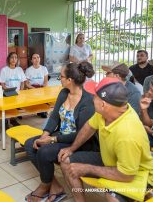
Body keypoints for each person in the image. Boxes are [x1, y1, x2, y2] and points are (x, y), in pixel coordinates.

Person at [58, 77, 153, 202]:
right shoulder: (107, 111)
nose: (91, 98)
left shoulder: (127, 134)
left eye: (94, 96)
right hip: (111, 160)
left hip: (137, 174)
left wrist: (87, 168)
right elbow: (89, 127)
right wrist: (71, 148)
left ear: (103, 104)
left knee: (112, 198)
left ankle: (145, 193)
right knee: (66, 162)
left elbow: (126, 175)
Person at [24, 61, 99, 202]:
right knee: (30, 144)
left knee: (44, 152)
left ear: (70, 80)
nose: (60, 79)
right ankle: (55, 185)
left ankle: (45, 185)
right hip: (62, 135)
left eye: (61, 77)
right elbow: (54, 118)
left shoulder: (87, 101)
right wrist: (44, 135)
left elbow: (81, 134)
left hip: (78, 142)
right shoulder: (64, 93)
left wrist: (52, 140)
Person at [0, 52, 27, 126]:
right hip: (7, 93)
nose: (14, 59)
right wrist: (8, 92)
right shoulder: (4, 70)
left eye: (15, 57)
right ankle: (5, 121)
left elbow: (22, 82)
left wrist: (21, 92)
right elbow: (2, 84)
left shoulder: (19, 69)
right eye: (12, 57)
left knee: (15, 106)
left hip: (17, 93)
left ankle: (13, 120)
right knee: (8, 106)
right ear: (8, 59)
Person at [25, 53, 49, 118]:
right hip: (32, 88)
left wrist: (43, 87)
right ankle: (39, 110)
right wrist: (33, 88)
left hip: (42, 87)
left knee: (45, 94)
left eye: (38, 57)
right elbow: (26, 83)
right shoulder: (28, 70)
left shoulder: (44, 68)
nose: (36, 59)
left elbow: (46, 81)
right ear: (31, 60)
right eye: (34, 58)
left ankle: (43, 110)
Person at [140, 75, 153, 147]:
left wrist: (151, 132)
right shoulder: (152, 101)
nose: (149, 92)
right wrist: (144, 109)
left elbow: (149, 129)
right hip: (151, 139)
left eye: (152, 90)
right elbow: (149, 124)